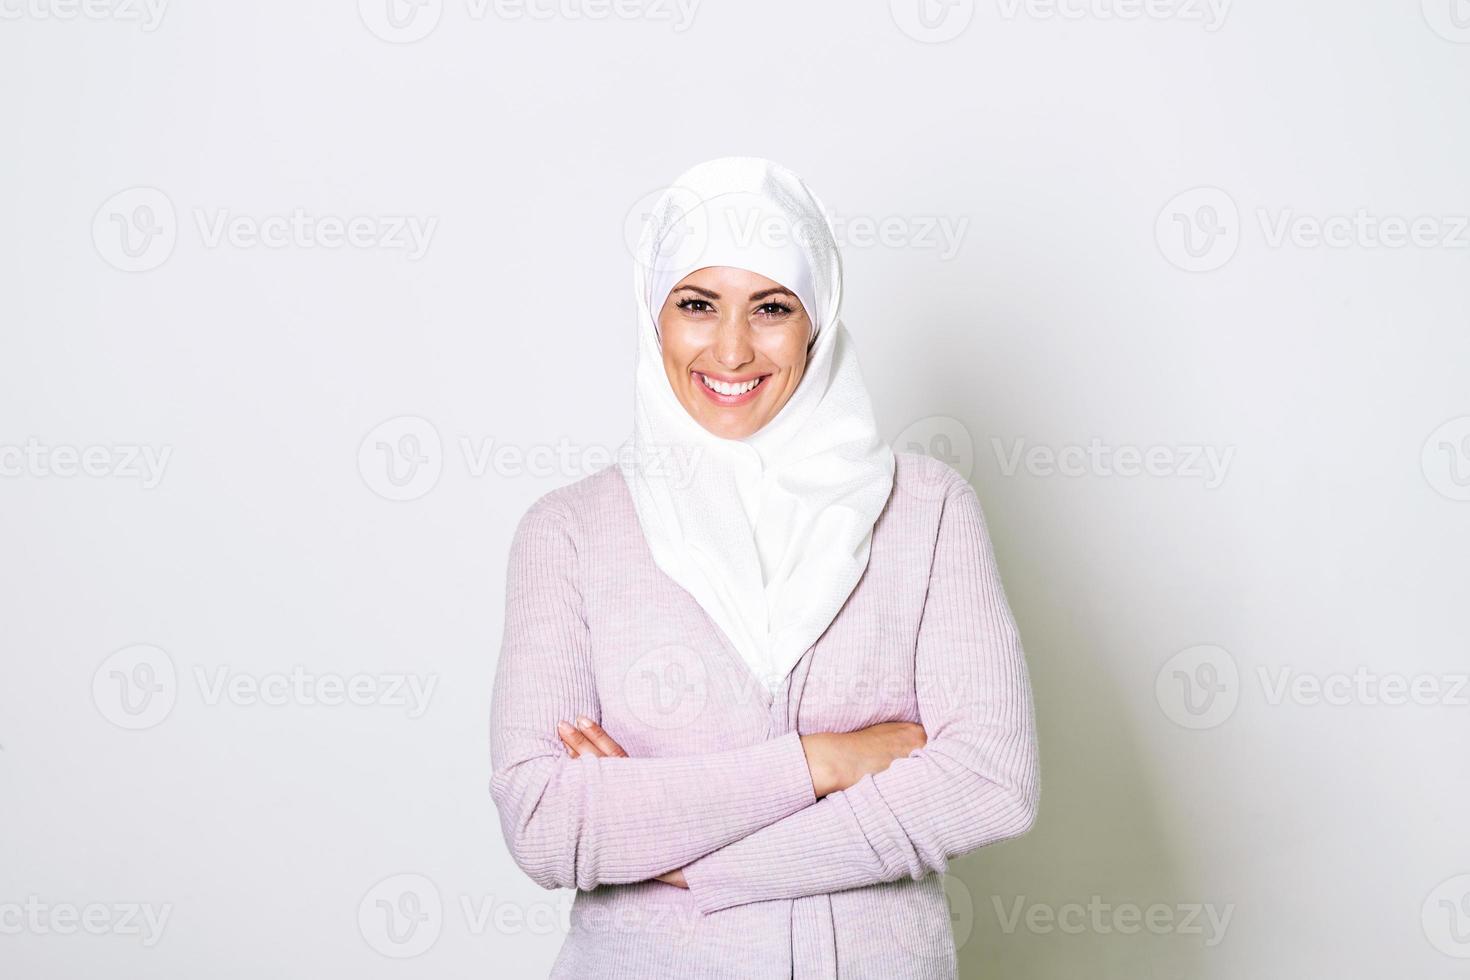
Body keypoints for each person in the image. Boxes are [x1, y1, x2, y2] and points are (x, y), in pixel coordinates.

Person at [489, 156, 1040, 979]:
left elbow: (992, 781)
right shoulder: (569, 533)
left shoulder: (927, 511)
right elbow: (544, 822)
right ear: (655, 318)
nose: (734, 348)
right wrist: (821, 763)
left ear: (816, 322)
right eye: (698, 304)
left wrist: (688, 858)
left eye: (772, 307)